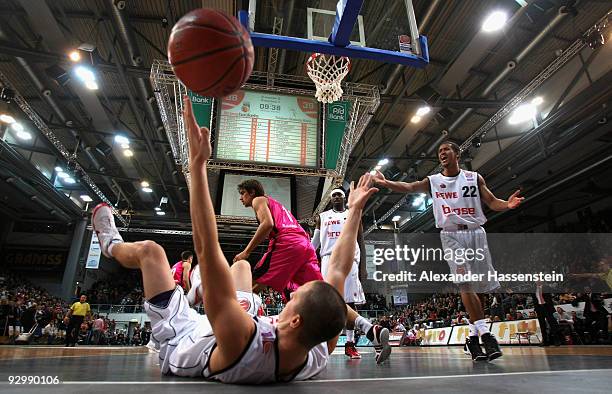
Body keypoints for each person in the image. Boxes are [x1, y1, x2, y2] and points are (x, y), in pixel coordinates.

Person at [90, 97, 389, 382]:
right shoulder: (318, 352)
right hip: (249, 316)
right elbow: (338, 267)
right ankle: (366, 326)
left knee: (151, 251)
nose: (290, 295)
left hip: (182, 334)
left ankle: (111, 245)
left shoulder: (241, 344)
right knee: (243, 268)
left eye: (293, 298)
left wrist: (197, 166)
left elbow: (206, 248)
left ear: (295, 320)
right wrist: (355, 210)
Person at [372, 140, 524, 361]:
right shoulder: (434, 180)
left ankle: (472, 338)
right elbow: (410, 187)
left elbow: (492, 202)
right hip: (451, 234)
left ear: (457, 153)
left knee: (480, 287)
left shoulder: (474, 177)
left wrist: (507, 205)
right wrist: (386, 183)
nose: (442, 153)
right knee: (464, 282)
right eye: (439, 151)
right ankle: (486, 334)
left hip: (476, 232)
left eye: (446, 149)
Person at [312, 188, 367, 359]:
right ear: (330, 198)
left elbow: (360, 241)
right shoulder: (322, 217)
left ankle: (350, 344)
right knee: (327, 302)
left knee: (350, 302)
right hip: (328, 259)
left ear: (344, 198)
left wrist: (364, 266)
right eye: (334, 195)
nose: (336, 197)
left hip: (350, 258)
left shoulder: (354, 214)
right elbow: (314, 243)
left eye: (339, 195)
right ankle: (323, 343)